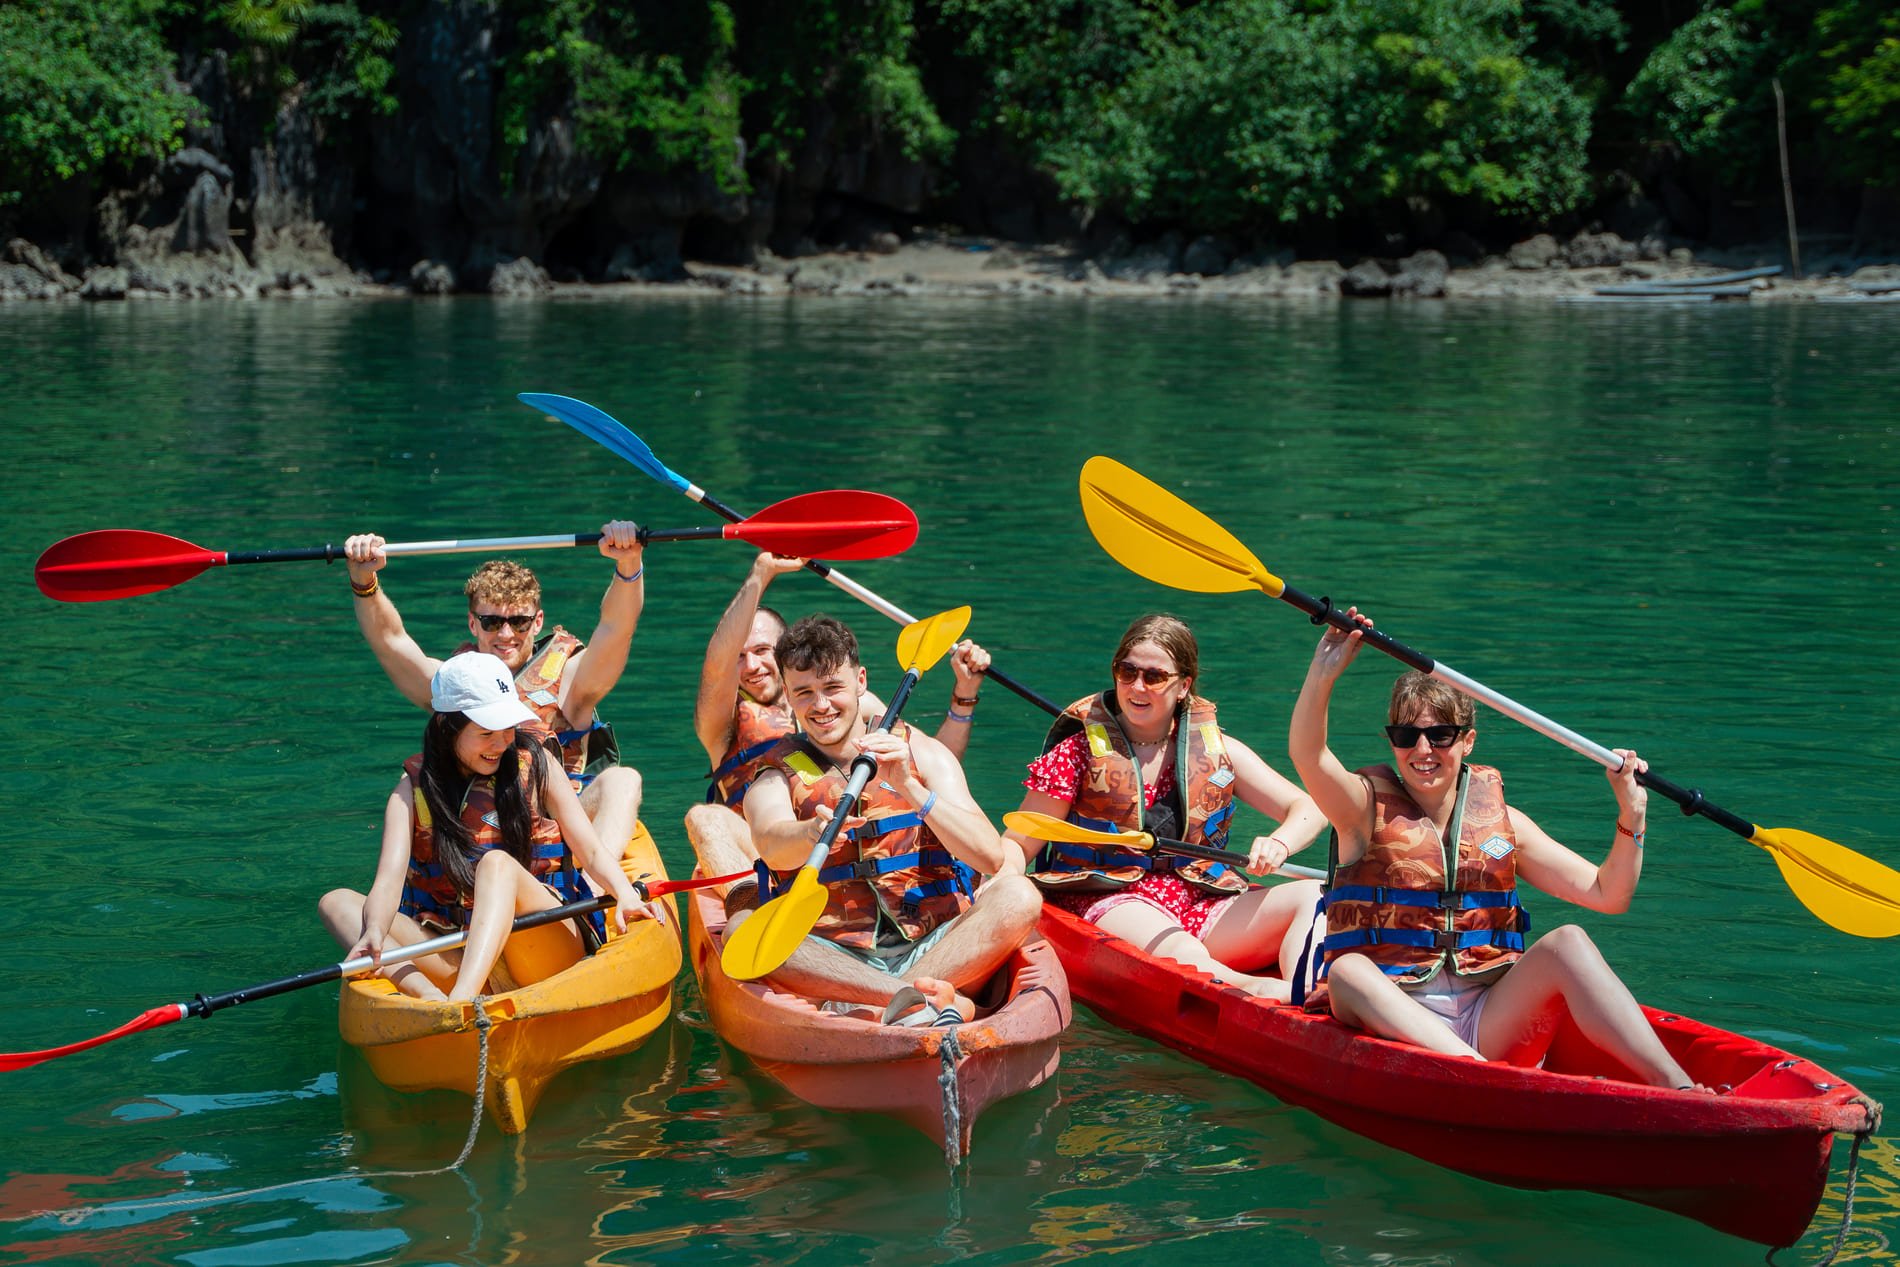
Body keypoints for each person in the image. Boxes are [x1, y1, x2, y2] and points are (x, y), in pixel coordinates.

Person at [1287, 608, 1703, 1090]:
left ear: (1467, 741)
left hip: (1488, 1017)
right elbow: (1308, 754)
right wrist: (1324, 672)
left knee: (1568, 940)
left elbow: (1609, 894)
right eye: (1407, 736)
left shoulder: (1506, 826)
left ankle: (1681, 1087)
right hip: (1396, 1017)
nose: (1422, 751)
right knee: (1348, 972)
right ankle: (1478, 1078)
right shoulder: (1361, 808)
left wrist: (1632, 815)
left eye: (1439, 736)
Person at [690, 614, 1038, 1023]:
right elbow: (771, 843)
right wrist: (811, 831)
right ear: (788, 693)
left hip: (936, 942)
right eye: (804, 693)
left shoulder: (921, 753)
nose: (820, 706)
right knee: (742, 930)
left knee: (1020, 895)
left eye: (832, 688)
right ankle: (914, 999)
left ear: (861, 682)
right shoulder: (775, 774)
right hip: (839, 958)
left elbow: (989, 857)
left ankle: (893, 1003)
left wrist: (912, 789)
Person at [1002, 613, 1328, 1001]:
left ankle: (1310, 989)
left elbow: (1309, 807)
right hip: (1108, 897)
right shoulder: (1077, 753)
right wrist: (998, 890)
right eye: (1127, 672)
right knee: (1180, 948)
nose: (1138, 686)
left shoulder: (1217, 752)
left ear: (1183, 686)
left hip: (1199, 899)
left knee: (1314, 894)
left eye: (1154, 677)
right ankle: (1262, 992)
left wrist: (1280, 843)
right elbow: (1020, 844)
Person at [317, 653, 660, 1002]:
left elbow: (589, 849)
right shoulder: (410, 791)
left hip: (540, 946)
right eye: (486, 732)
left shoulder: (538, 765)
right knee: (337, 903)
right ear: (448, 730)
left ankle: (461, 1003)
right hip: (458, 950)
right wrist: (374, 930)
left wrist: (624, 892)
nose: (501, 743)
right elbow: (388, 882)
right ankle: (429, 998)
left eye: (508, 728)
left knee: (496, 864)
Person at [687, 551, 990, 912]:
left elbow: (930, 762)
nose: (751, 665)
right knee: (705, 816)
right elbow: (717, 668)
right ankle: (747, 899)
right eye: (740, 654)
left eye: (763, 650)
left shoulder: (848, 701)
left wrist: (963, 697)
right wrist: (761, 574)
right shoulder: (724, 721)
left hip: (847, 840)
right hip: (766, 845)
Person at [343, 524, 644, 862]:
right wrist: (364, 582)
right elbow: (391, 641)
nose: (506, 634)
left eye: (519, 622)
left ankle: (595, 892)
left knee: (622, 780)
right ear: (473, 624)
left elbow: (617, 628)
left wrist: (628, 565)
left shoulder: (571, 679)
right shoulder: (454, 684)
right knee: (411, 779)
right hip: (475, 823)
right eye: (491, 622)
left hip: (556, 819)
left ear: (538, 621)